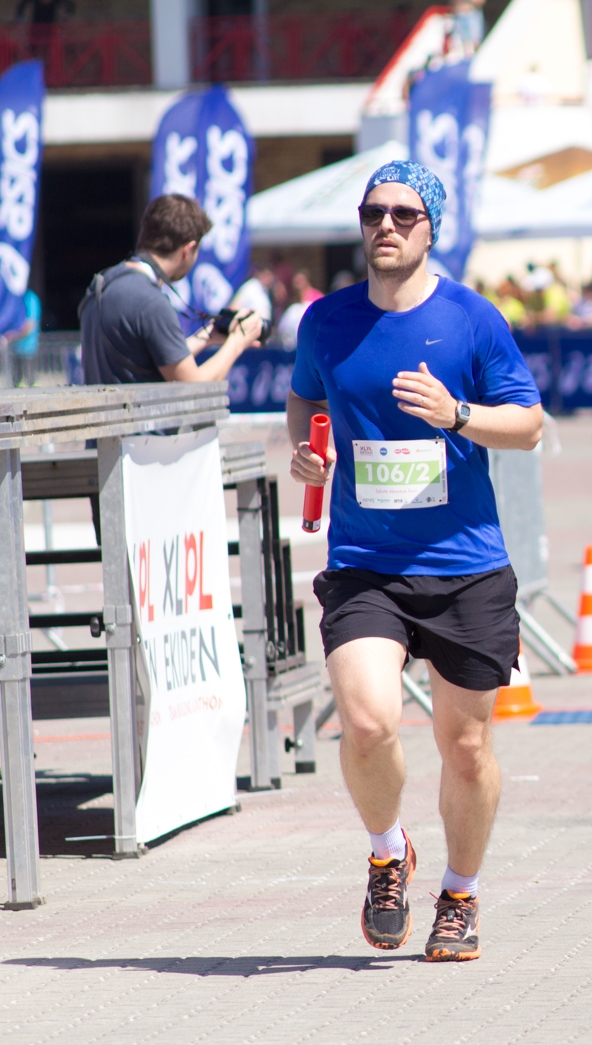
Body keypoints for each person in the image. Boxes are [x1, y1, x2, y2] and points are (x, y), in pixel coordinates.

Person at [286, 160, 544, 963]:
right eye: (373, 214)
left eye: (403, 214)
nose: (386, 227)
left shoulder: (472, 320)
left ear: (432, 226)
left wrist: (458, 413)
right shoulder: (326, 320)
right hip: (366, 561)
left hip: (465, 563)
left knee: (465, 748)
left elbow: (529, 424)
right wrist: (306, 448)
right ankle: (388, 851)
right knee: (366, 722)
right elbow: (306, 395)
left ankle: (460, 895)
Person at [80, 194, 263, 384]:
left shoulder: (103, 283)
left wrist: (207, 336)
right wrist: (238, 341)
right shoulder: (150, 302)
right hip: (138, 413)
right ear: (188, 249)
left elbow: (153, 361)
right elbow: (192, 387)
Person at [4, 288, 40, 386]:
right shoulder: (14, 296)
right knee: (16, 383)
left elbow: (30, 325)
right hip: (15, 350)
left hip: (28, 350)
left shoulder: (30, 298)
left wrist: (11, 337)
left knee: (30, 383)